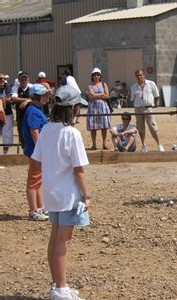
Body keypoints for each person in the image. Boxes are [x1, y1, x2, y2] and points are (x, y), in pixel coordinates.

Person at [31, 85, 91, 300]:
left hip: (51, 193)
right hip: (68, 195)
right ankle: (61, 289)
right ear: (72, 109)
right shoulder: (72, 133)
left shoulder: (47, 129)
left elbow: (36, 160)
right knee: (63, 241)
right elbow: (79, 169)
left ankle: (58, 285)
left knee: (55, 237)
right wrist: (87, 195)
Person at [22, 83, 50, 221]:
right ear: (38, 96)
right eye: (44, 94)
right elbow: (34, 133)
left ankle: (41, 207)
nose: (46, 96)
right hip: (35, 151)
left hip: (36, 150)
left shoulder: (36, 109)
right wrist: (41, 150)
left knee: (38, 180)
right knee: (34, 181)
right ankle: (33, 211)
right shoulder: (33, 111)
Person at [130, 68, 164, 152]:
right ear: (135, 77)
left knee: (153, 127)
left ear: (144, 75)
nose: (139, 77)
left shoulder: (151, 84)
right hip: (138, 109)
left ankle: (159, 145)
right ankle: (143, 145)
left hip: (148, 108)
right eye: (137, 76)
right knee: (141, 128)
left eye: (141, 75)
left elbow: (156, 95)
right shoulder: (133, 87)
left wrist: (155, 104)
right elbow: (132, 98)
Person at [86, 67, 111, 150]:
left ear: (100, 76)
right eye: (94, 75)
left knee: (104, 126)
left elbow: (107, 95)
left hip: (103, 106)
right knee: (93, 126)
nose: (96, 76)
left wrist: (95, 95)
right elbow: (91, 96)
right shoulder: (90, 86)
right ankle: (94, 144)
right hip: (93, 107)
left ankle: (104, 143)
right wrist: (101, 94)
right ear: (92, 76)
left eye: (98, 75)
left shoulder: (104, 84)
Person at [11, 71, 33, 149]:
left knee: (32, 133)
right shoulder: (16, 87)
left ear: (28, 80)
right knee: (21, 134)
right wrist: (27, 99)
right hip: (20, 115)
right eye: (22, 79)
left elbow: (35, 98)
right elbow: (13, 98)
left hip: (31, 115)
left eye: (25, 79)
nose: (23, 81)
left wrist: (26, 101)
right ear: (19, 80)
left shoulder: (32, 87)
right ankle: (25, 152)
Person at [0, 72, 12, 154]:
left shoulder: (7, 86)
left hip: (7, 113)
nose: (2, 80)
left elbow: (10, 98)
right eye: (0, 79)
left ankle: (5, 154)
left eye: (3, 78)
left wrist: (5, 100)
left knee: (7, 135)